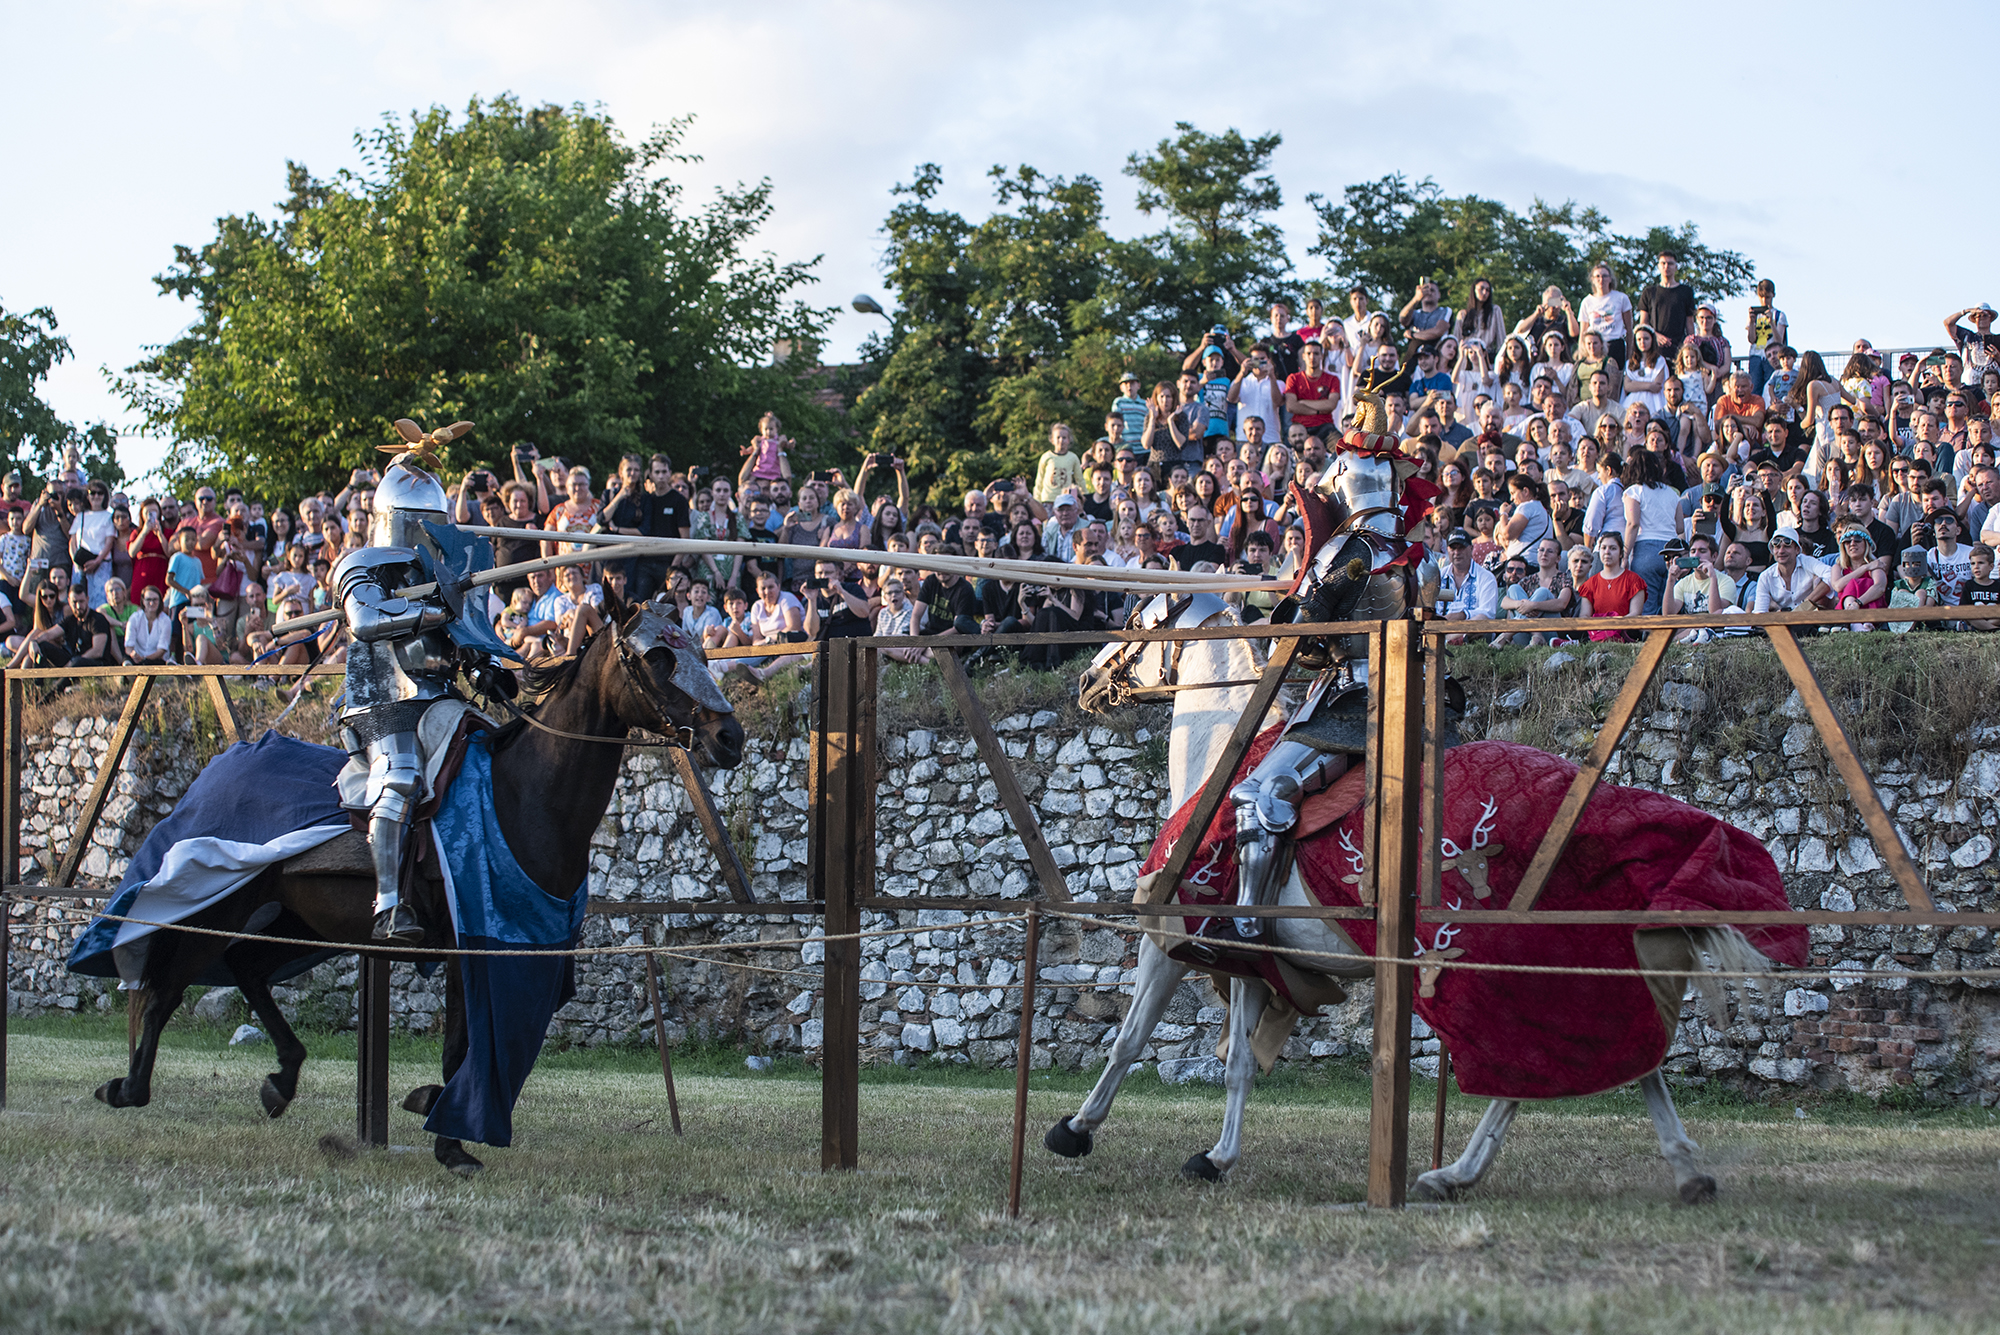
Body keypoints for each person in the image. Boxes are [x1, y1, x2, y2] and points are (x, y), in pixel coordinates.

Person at [332, 425, 523, 943]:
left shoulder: (446, 566)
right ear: (391, 518)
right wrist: (431, 606)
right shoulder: (360, 563)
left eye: (434, 521)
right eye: (417, 520)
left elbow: (459, 641)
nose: (424, 529)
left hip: (441, 694)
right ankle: (389, 907)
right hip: (383, 698)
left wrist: (485, 667)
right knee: (399, 780)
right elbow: (366, 622)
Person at [1663, 533, 1738, 642]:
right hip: (1689, 631)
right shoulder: (1683, 583)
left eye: (1702, 551)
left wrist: (1712, 577)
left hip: (1715, 633)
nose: (1696, 555)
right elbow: (1668, 615)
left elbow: (1715, 614)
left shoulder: (1726, 581)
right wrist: (1670, 580)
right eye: (1693, 551)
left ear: (1714, 556)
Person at [1576, 532, 1646, 640]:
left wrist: (1613, 626)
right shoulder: (1590, 584)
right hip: (1597, 633)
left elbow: (1635, 614)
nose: (1607, 552)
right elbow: (1584, 615)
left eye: (1613, 548)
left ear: (1621, 553)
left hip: (1625, 633)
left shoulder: (1634, 581)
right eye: (1603, 548)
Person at [1637, 251, 1695, 350]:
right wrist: (1655, 335)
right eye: (1663, 263)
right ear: (1658, 266)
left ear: (1676, 267)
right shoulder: (1649, 292)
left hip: (1678, 347)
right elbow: (1643, 324)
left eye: (1670, 263)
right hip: (1654, 348)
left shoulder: (1686, 291)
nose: (1666, 266)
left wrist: (1691, 345)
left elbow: (1689, 322)